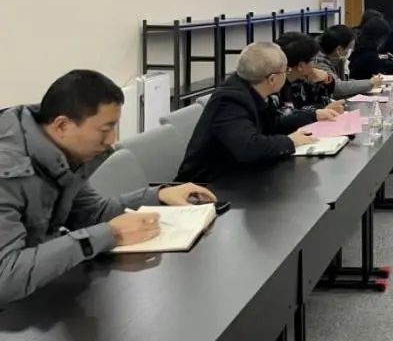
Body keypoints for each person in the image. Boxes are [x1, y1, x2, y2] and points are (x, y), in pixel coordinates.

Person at [0, 70, 215, 304]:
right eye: (105, 129)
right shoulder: (8, 168)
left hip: (33, 295)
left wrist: (159, 195)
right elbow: (5, 276)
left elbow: (91, 213)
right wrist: (107, 235)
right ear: (62, 125)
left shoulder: (59, 152)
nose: (112, 139)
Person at [176, 42, 317, 183]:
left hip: (237, 176)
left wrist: (312, 116)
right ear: (272, 79)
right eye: (286, 71)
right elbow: (249, 147)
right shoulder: (230, 100)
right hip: (206, 186)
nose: (287, 75)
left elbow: (272, 125)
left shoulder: (252, 89)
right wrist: (290, 141)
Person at [274, 33, 343, 121]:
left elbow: (324, 100)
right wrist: (317, 113)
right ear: (300, 66)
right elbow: (285, 119)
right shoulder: (276, 86)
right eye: (313, 60)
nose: (315, 64)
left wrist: (327, 79)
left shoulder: (305, 78)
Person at [314, 25, 383, 98]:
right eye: (349, 48)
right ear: (339, 49)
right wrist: (370, 83)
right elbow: (337, 87)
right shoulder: (318, 62)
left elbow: (344, 82)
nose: (351, 51)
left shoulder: (336, 58)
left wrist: (366, 83)